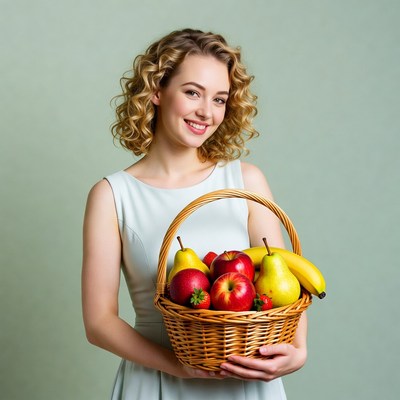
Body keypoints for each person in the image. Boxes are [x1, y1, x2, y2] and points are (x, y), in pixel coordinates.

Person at [82, 28, 307, 400]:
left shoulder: (246, 180)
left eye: (219, 99)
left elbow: (289, 278)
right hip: (155, 380)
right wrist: (178, 366)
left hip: (244, 380)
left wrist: (296, 352)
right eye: (192, 92)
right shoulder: (112, 195)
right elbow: (98, 322)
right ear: (156, 91)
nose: (207, 111)